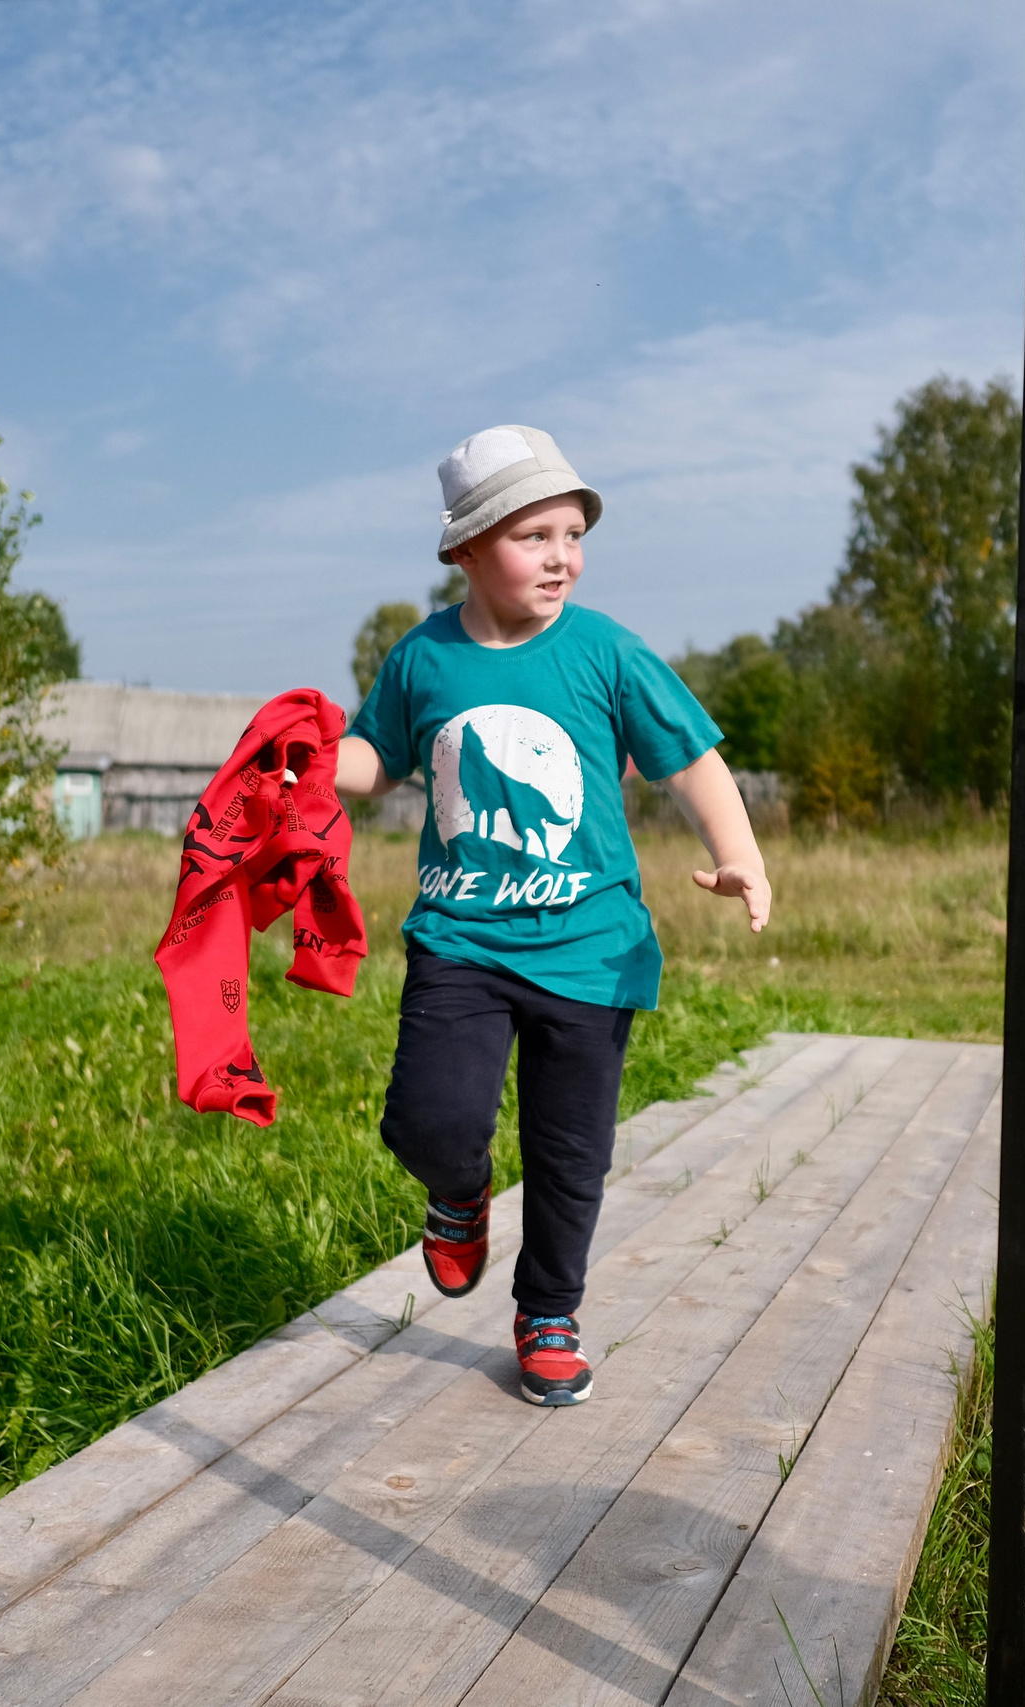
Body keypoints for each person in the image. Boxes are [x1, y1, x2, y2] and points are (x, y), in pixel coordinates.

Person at [335, 424, 772, 1406]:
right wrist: (313, 764)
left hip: (590, 948)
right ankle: (458, 1192)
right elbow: (378, 757)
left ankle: (548, 1315)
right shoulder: (423, 660)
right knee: (429, 1121)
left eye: (572, 533)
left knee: (571, 1155)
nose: (561, 556)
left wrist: (736, 854)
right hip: (461, 940)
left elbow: (690, 758)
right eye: (534, 535)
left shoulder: (606, 651)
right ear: (466, 549)